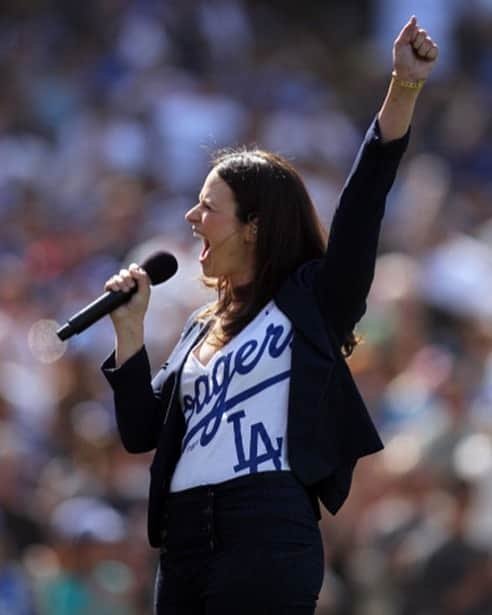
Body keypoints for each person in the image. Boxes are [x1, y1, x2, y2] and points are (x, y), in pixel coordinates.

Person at [101, 16, 438, 615]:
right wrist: (129, 333)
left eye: (208, 206)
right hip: (182, 540)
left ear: (253, 226)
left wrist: (402, 86)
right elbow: (140, 432)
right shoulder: (199, 328)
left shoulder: (313, 298)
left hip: (266, 527)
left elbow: (362, 205)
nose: (191, 218)